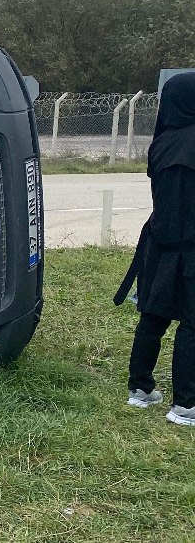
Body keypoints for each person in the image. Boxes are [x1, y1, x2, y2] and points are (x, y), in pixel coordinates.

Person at [116, 72, 195, 426]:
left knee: (155, 315)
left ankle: (141, 388)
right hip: (191, 243)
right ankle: (186, 405)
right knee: (193, 322)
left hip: (160, 239)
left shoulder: (162, 142)